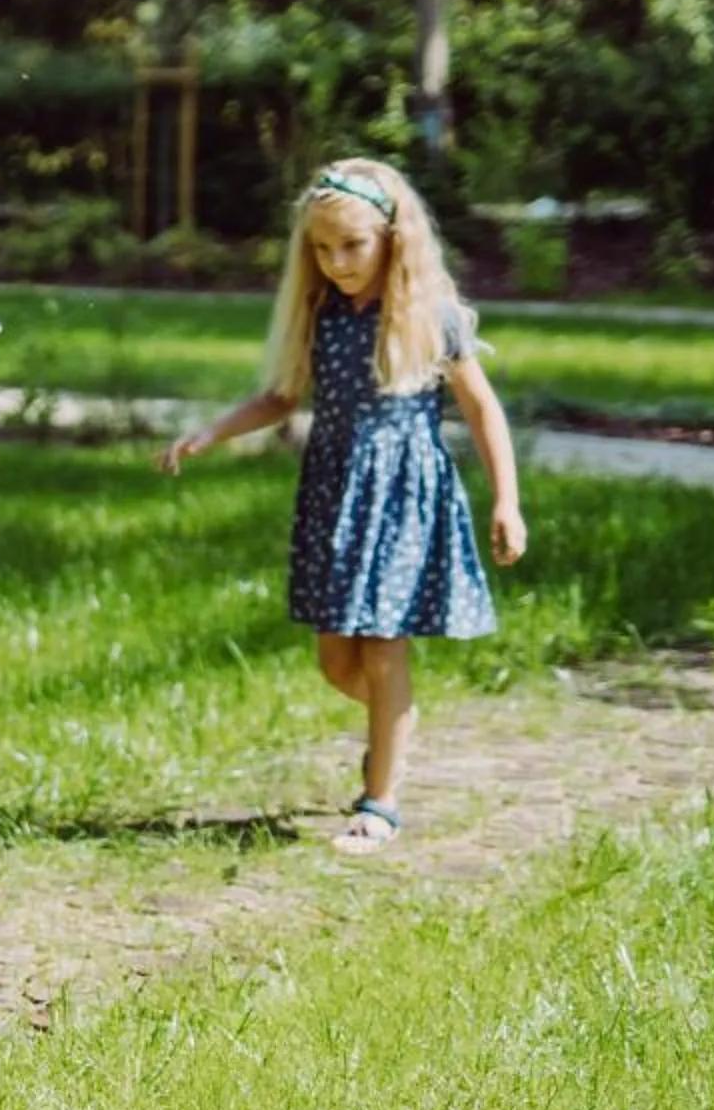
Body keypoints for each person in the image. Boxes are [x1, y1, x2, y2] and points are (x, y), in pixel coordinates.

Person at [160, 158, 525, 852]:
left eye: (352, 245)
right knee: (337, 661)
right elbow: (281, 397)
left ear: (393, 236)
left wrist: (506, 502)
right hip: (333, 492)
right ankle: (395, 726)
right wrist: (211, 432)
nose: (337, 262)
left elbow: (482, 408)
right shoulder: (321, 311)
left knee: (385, 646)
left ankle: (380, 799)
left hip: (404, 493)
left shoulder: (429, 314)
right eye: (321, 249)